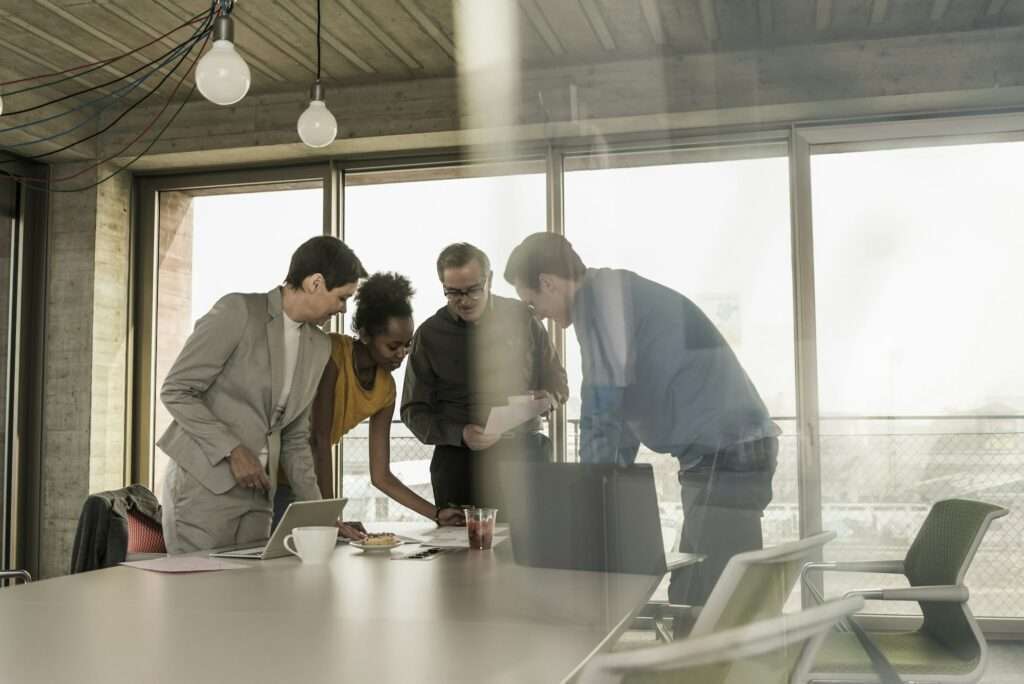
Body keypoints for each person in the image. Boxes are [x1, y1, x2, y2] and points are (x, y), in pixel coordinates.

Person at [503, 233, 780, 606]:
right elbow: (617, 408)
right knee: (712, 589)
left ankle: (704, 664)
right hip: (731, 450)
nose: (542, 316)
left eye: (534, 303)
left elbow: (602, 407)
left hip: (726, 453)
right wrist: (605, 486)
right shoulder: (613, 292)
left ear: (548, 283)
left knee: (708, 597)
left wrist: (589, 496)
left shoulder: (599, 304)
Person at [158, 236, 368, 553]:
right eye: (342, 298)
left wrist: (321, 514)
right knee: (197, 598)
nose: (343, 310)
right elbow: (176, 391)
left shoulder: (319, 346)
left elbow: (296, 437)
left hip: (259, 496)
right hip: (202, 488)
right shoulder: (237, 311)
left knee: (251, 596)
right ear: (315, 282)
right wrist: (233, 450)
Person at [271, 272, 465, 528]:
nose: (402, 354)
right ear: (365, 335)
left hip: (303, 482)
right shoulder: (331, 355)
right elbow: (319, 440)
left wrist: (436, 514)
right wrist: (331, 520)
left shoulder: (386, 389)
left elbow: (381, 475)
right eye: (393, 346)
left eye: (407, 345)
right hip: (270, 473)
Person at [401, 242, 569, 516]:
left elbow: (558, 384)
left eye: (472, 290)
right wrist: (460, 433)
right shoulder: (429, 335)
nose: (464, 300)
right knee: (459, 554)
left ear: (489, 280)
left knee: (534, 550)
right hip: (458, 464)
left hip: (525, 456)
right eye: (452, 292)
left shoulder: (522, 319)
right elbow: (412, 411)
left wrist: (547, 398)